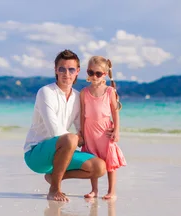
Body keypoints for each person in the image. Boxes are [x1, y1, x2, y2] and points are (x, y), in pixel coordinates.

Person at [23, 49, 107, 202]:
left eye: (71, 69)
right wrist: (76, 139)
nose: (66, 74)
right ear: (55, 70)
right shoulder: (46, 92)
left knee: (99, 167)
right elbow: (55, 130)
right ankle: (54, 189)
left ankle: (52, 176)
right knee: (70, 139)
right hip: (36, 155)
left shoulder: (77, 96)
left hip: (62, 153)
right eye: (62, 69)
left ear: (78, 72)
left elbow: (82, 128)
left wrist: (107, 132)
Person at [80, 56, 127, 200]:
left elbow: (115, 112)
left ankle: (111, 191)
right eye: (90, 72)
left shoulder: (109, 91)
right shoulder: (84, 92)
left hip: (105, 131)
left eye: (98, 73)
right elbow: (82, 115)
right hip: (89, 132)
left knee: (109, 161)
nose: (94, 76)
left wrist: (117, 130)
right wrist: (82, 133)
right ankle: (94, 190)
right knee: (93, 160)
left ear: (104, 75)